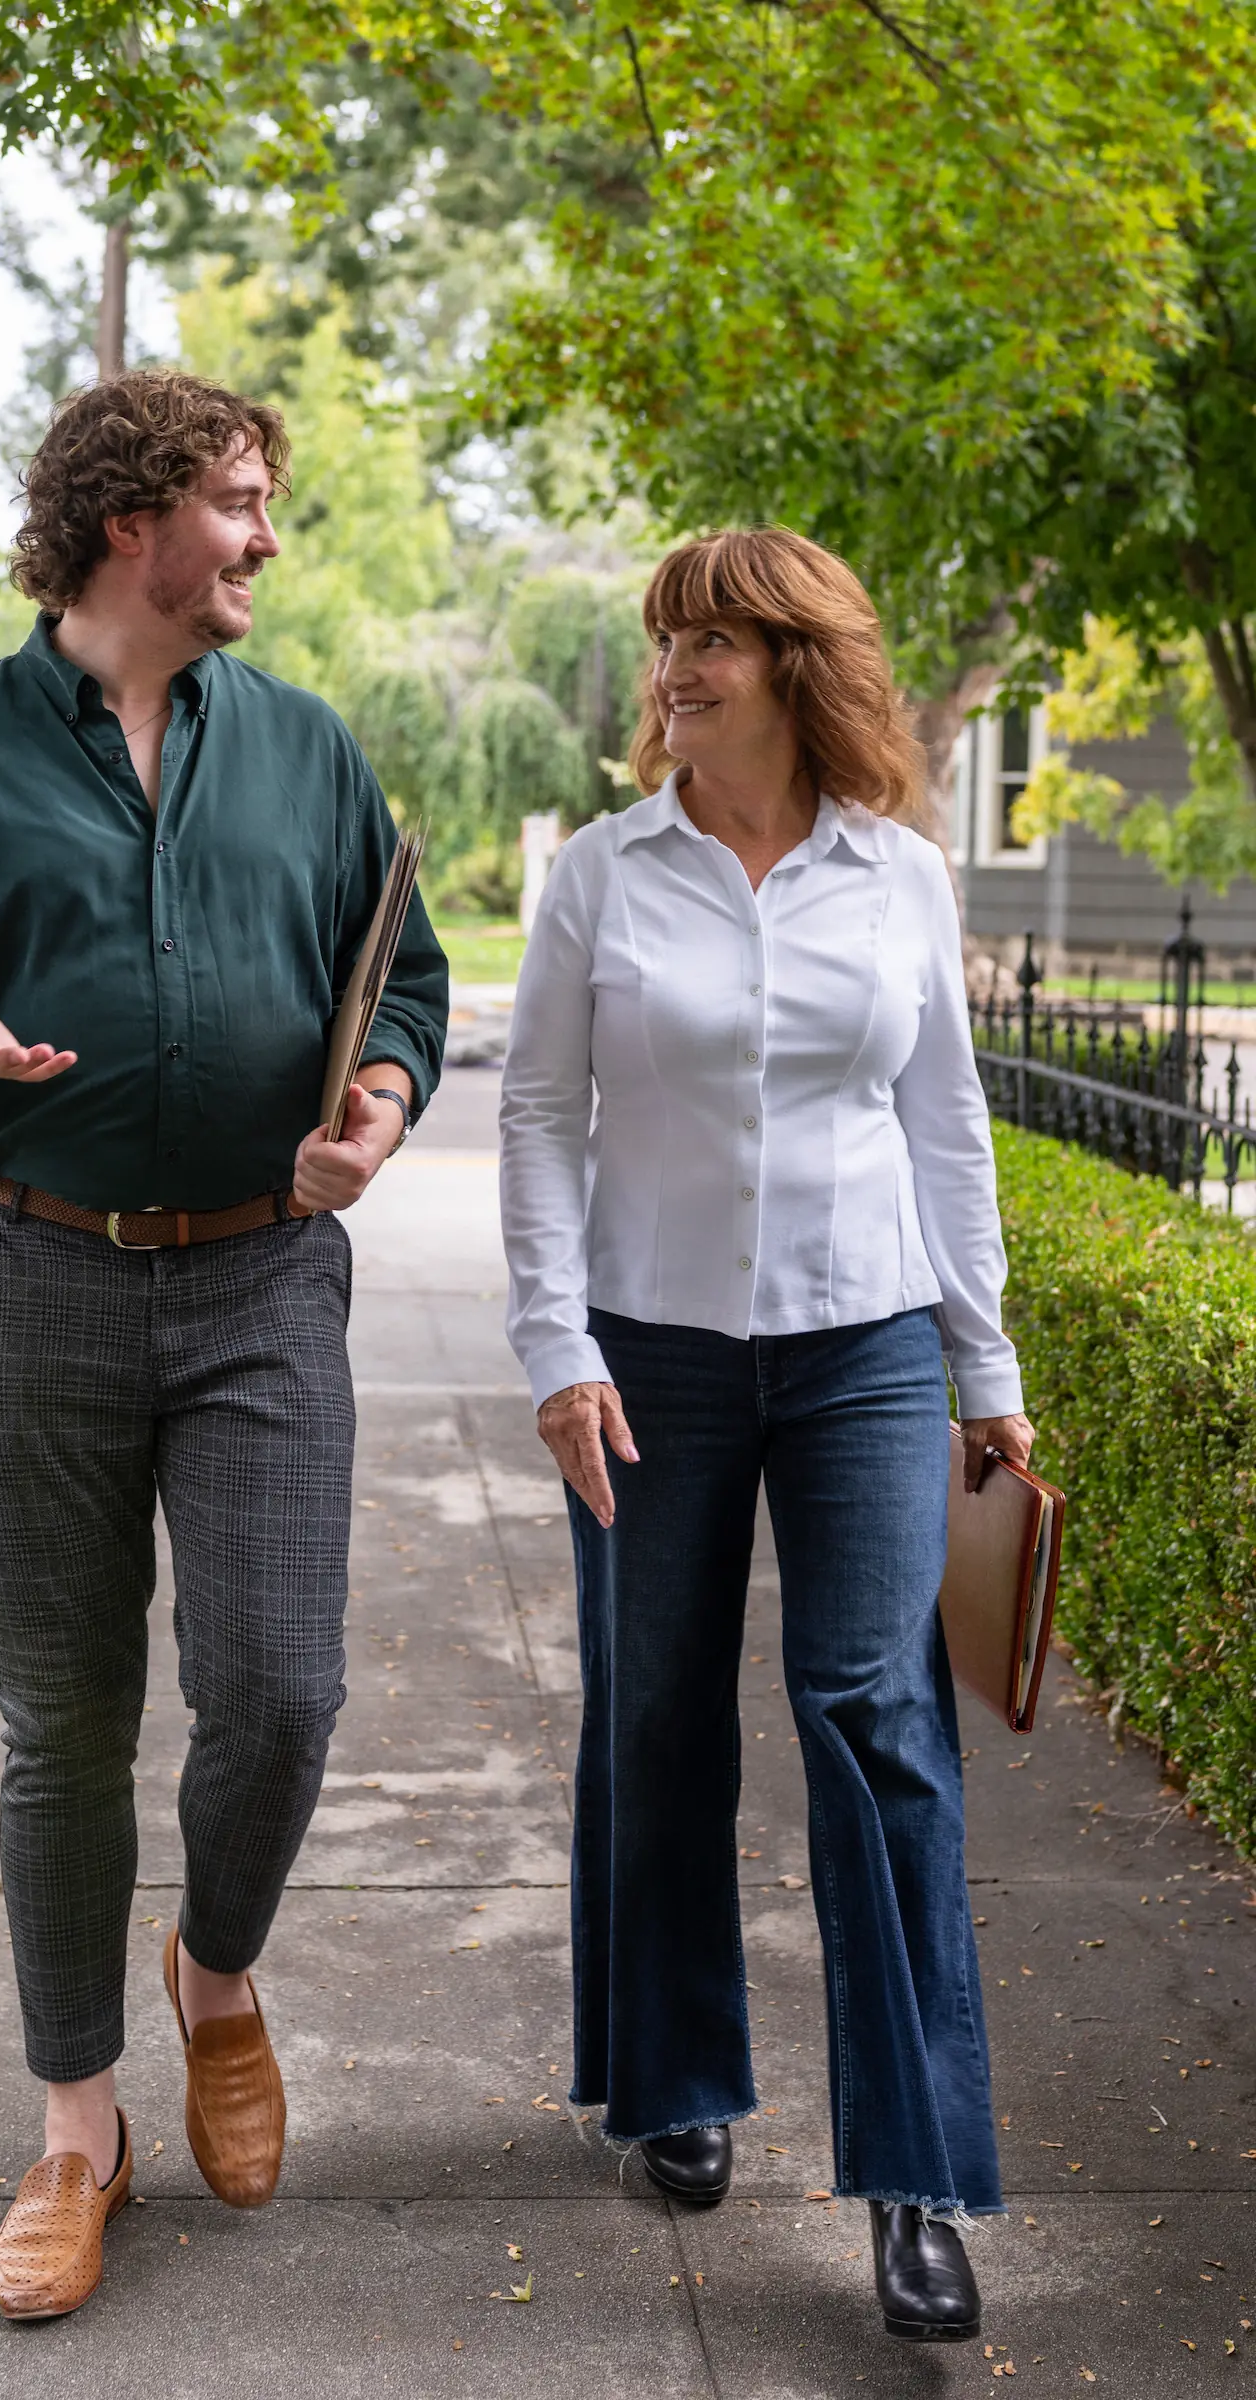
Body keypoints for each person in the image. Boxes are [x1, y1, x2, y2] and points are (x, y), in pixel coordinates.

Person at [0, 369, 448, 2321]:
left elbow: (394, 977)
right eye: (238, 500)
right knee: (65, 1724)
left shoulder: (308, 753)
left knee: (284, 1691)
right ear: (126, 517)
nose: (262, 536)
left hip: (259, 1283)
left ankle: (214, 1975)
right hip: (31, 1279)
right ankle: (79, 2129)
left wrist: (379, 1106)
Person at [498, 527, 1033, 2345]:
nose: (674, 673)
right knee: (651, 1706)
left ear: (795, 665)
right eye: (663, 644)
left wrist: (989, 1371)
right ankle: (673, 2083)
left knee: (876, 1722)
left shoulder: (896, 878)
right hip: (648, 1357)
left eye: (708, 642)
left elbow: (946, 1124)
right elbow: (538, 1122)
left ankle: (915, 2181)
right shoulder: (600, 876)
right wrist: (555, 1344)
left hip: (868, 1344)